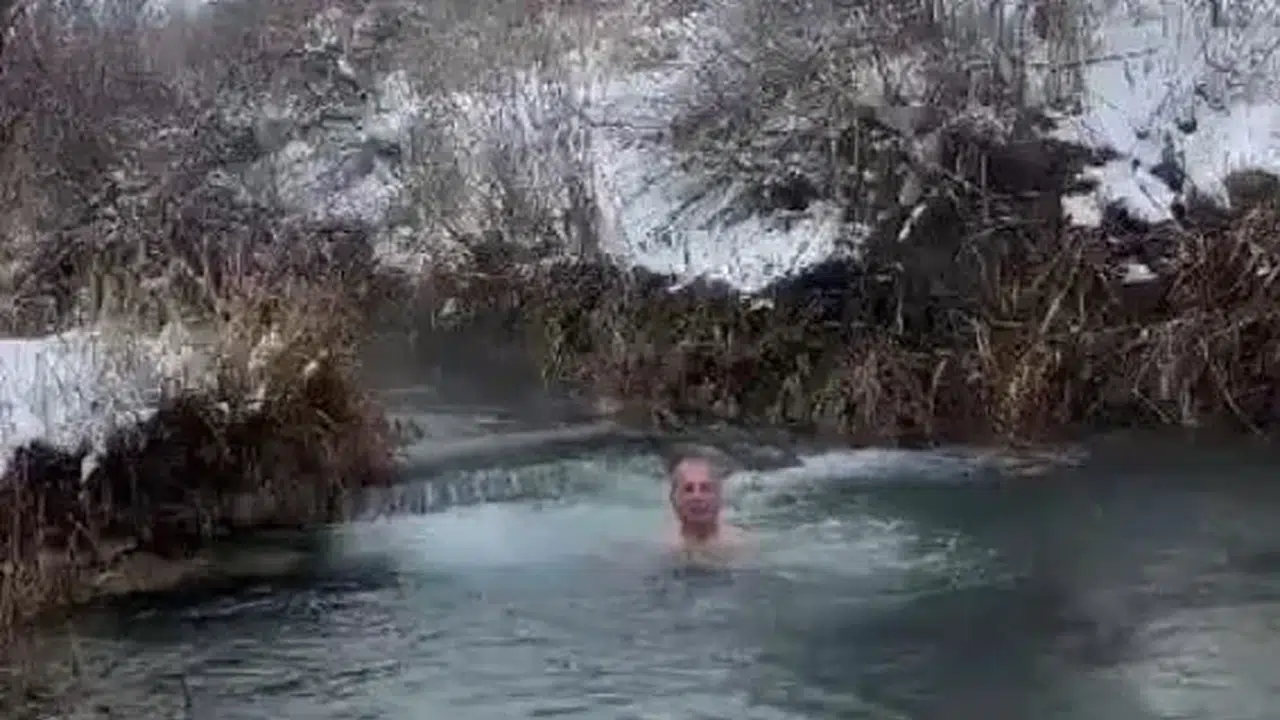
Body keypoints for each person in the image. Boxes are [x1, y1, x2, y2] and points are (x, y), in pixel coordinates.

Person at [664, 449, 749, 566]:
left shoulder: (742, 546)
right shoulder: (664, 548)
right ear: (674, 499)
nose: (697, 497)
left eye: (705, 488)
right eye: (688, 489)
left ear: (719, 497)